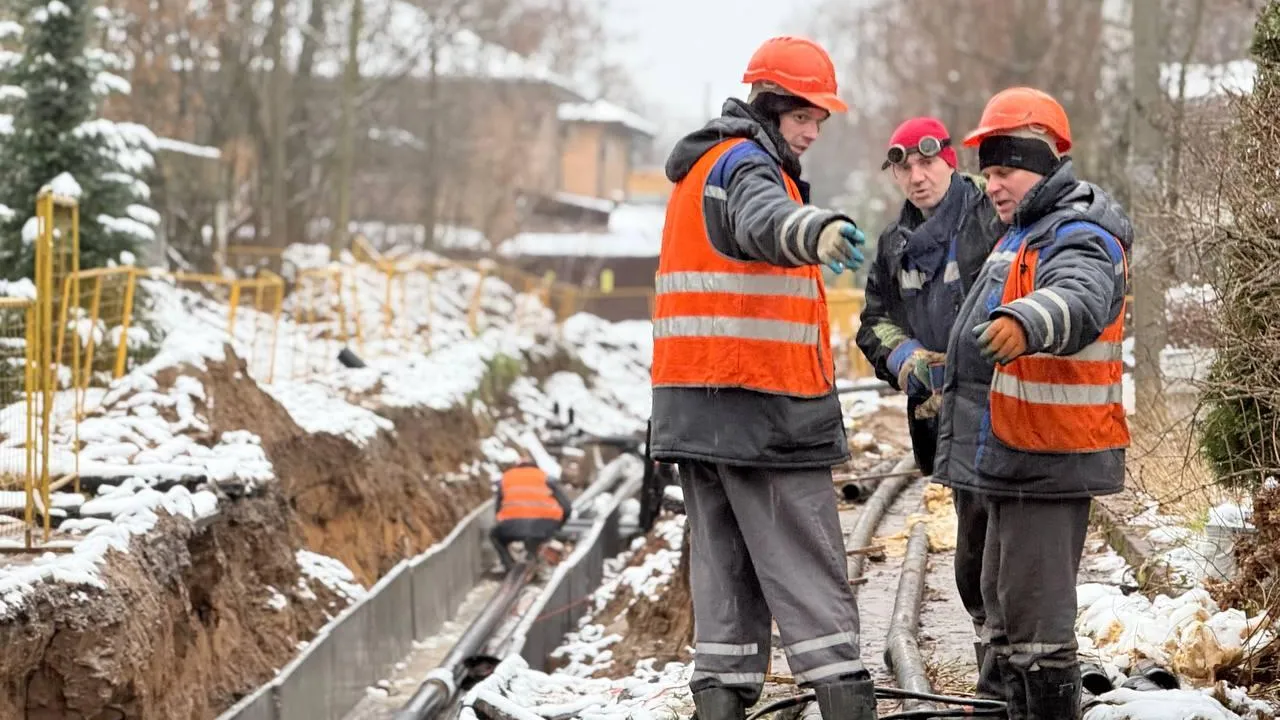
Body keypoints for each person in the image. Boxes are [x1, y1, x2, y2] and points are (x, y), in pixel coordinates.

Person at [650, 35, 876, 720]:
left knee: (725, 574)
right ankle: (845, 700)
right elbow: (763, 220)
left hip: (694, 406)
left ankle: (721, 702)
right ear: (770, 105)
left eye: (819, 121)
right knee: (804, 561)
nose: (811, 131)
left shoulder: (702, 168)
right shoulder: (745, 165)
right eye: (804, 117)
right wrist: (817, 230)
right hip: (759, 404)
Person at [933, 87, 1132, 720]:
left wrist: (1027, 321)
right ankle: (1003, 707)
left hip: (1050, 456)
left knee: (1037, 622)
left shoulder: (1079, 231)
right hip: (1011, 457)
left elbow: (1080, 294)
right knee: (998, 601)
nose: (992, 185)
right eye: (986, 172)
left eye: (1005, 170)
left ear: (1045, 162)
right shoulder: (1017, 235)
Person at [855, 117, 1004, 478]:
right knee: (968, 529)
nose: (917, 177)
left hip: (999, 411)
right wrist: (906, 359)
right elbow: (875, 321)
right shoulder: (894, 244)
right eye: (903, 168)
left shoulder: (994, 215)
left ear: (950, 161)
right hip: (938, 422)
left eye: (927, 163)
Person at [490, 450, 572, 571]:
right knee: (537, 538)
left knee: (495, 536)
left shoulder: (506, 478)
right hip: (544, 525)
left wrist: (504, 523)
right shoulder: (545, 477)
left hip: (513, 526)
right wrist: (558, 526)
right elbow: (567, 508)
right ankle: (533, 558)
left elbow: (498, 510)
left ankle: (508, 564)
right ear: (536, 466)